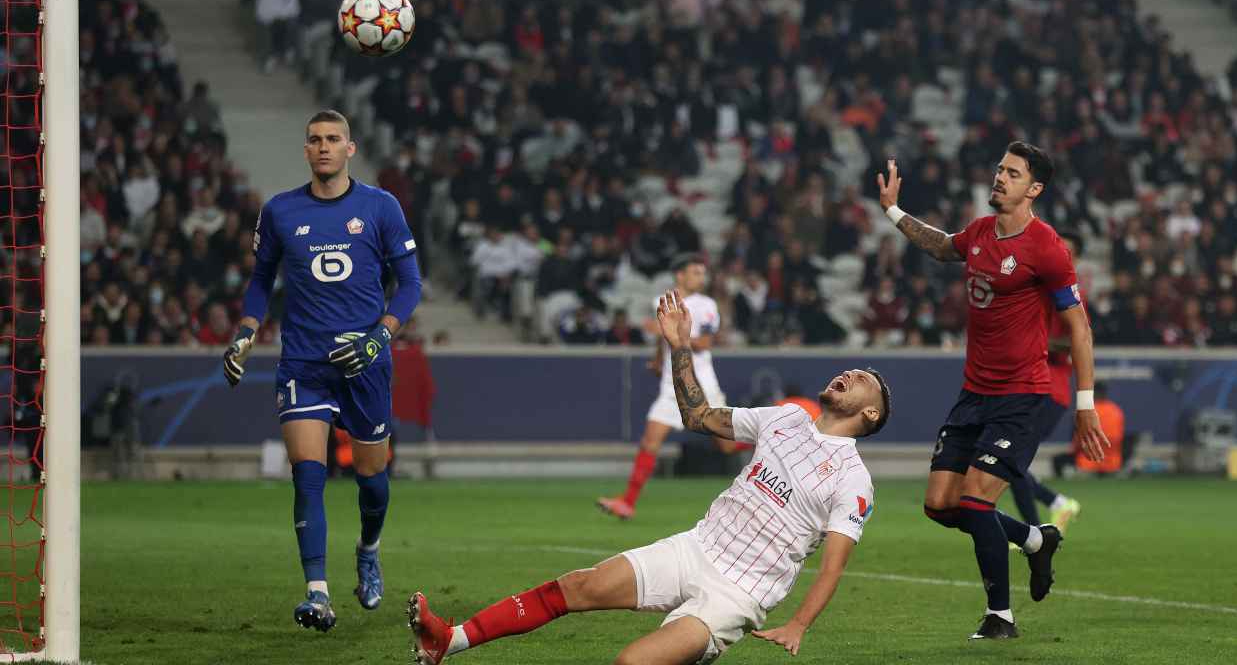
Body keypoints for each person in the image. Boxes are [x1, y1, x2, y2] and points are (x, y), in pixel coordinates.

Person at [407, 290, 892, 665]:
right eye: (847, 369)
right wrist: (680, 346)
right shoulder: (783, 418)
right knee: (576, 586)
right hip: (694, 548)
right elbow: (698, 415)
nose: (847, 374)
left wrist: (800, 624)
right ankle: (448, 641)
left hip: (737, 593)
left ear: (870, 413)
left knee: (633, 661)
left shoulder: (852, 478)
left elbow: (833, 566)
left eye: (861, 380)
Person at [875, 143, 1109, 640]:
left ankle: (1000, 616)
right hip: (974, 394)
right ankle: (1032, 538)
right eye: (1000, 169)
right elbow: (942, 245)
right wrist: (894, 211)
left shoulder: (1046, 247)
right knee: (940, 505)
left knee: (977, 503)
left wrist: (1085, 407)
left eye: (1013, 173)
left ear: (1034, 189)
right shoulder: (981, 233)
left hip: (1021, 396)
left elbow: (1080, 330)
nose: (1000, 178)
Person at [222, 110, 423, 631]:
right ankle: (317, 594)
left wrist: (380, 337)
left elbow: (411, 285)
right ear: (305, 149)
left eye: (334, 139)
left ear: (351, 148)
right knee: (307, 476)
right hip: (304, 363)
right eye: (315, 140)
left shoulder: (380, 207)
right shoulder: (280, 211)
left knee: (372, 480)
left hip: (365, 364)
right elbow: (262, 282)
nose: (324, 147)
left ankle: (369, 550)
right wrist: (246, 329)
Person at [597, 254, 736, 521]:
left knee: (728, 446)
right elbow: (663, 341)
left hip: (701, 384)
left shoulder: (705, 304)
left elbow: (705, 344)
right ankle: (627, 502)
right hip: (671, 384)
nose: (701, 277)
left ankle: (770, 434)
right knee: (650, 441)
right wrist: (658, 361)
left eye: (702, 272)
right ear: (680, 275)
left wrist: (669, 332)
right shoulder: (662, 302)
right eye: (695, 272)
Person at [1005, 230, 1085, 537]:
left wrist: (1037, 342)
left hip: (1049, 389)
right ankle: (1056, 505)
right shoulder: (1037, 288)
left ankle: (1034, 532)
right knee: (1008, 462)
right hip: (1026, 386)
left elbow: (1076, 342)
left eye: (1067, 250)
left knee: (1010, 462)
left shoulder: (1069, 295)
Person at [1053, 382, 1126, 477]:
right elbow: (1120, 439)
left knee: (1058, 460)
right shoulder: (1116, 411)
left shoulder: (1085, 411)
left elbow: (1078, 442)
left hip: (1087, 463)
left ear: (1092, 393)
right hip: (1113, 464)